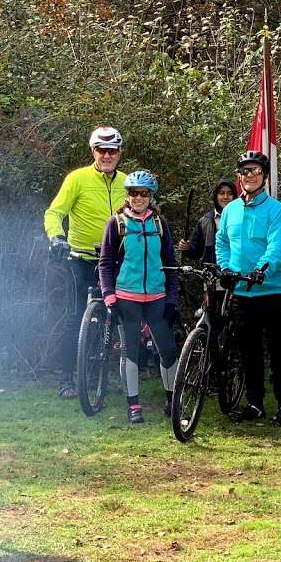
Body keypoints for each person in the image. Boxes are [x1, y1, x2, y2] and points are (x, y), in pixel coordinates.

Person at [44, 125, 128, 399]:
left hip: (115, 263)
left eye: (112, 151)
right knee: (75, 318)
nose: (106, 155)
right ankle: (67, 379)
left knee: (113, 318)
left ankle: (98, 374)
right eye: (101, 150)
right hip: (81, 260)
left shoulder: (127, 183)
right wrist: (57, 237)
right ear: (93, 151)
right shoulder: (77, 179)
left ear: (119, 153)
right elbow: (54, 212)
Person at [215, 151, 281, 426]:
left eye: (256, 171)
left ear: (264, 175)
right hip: (241, 293)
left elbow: (278, 245)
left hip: (272, 290)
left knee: (279, 351)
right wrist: (225, 267)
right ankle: (255, 402)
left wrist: (262, 269)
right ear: (239, 176)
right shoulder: (230, 210)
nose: (250, 176)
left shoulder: (276, 210)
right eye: (245, 171)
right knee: (249, 351)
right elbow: (222, 242)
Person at [97, 170, 179, 424]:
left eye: (144, 193)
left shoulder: (159, 223)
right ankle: (134, 404)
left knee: (167, 351)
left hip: (156, 296)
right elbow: (105, 263)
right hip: (126, 297)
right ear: (128, 195)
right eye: (134, 193)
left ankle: (171, 399)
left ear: (150, 196)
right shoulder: (117, 223)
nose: (138, 198)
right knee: (130, 352)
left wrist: (172, 299)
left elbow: (170, 262)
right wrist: (109, 296)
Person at [177, 178, 237, 265]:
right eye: (221, 193)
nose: (225, 197)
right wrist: (187, 248)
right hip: (212, 274)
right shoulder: (205, 221)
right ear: (216, 196)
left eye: (230, 193)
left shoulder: (241, 218)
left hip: (237, 273)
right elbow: (196, 252)